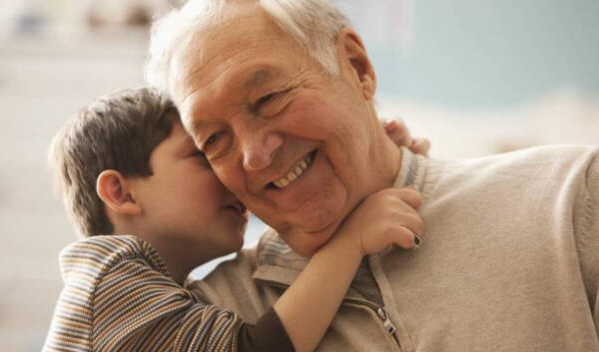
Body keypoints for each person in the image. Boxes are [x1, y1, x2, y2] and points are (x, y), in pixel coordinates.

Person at [145, 0, 599, 350]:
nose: (255, 157)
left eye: (267, 99)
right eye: (214, 141)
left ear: (357, 68)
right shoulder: (208, 316)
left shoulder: (569, 200)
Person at [42, 87, 428, 352]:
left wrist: (372, 169)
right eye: (205, 155)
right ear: (121, 193)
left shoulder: (149, 288)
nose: (233, 172)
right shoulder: (109, 286)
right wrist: (352, 240)